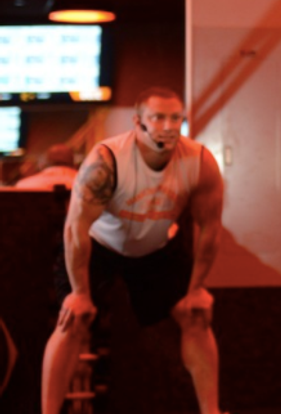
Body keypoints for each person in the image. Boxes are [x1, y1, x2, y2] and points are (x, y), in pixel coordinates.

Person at [41, 87, 225, 414]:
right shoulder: (106, 160)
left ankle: (211, 411)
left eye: (175, 118)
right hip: (100, 244)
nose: (168, 126)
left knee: (195, 316)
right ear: (138, 122)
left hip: (157, 247)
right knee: (73, 320)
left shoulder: (199, 161)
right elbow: (75, 228)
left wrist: (197, 288)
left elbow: (209, 228)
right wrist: (80, 293)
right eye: (158, 117)